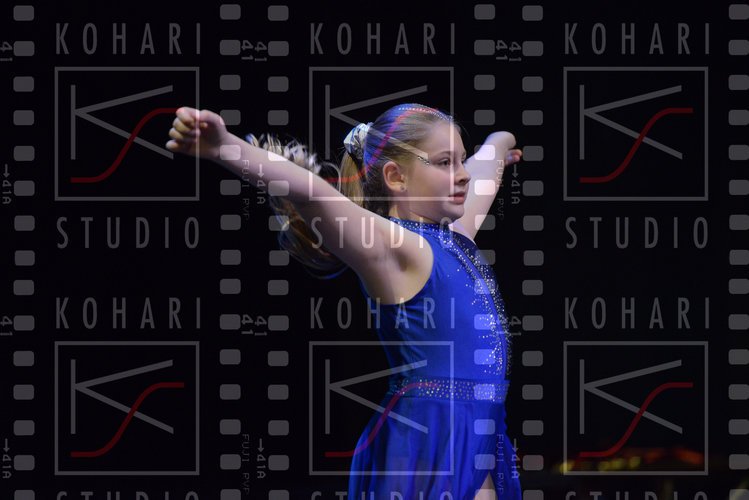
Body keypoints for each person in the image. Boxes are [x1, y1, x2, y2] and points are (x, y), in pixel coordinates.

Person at [166, 103, 523, 499]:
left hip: (481, 426)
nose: (462, 174)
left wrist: (500, 143)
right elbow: (311, 192)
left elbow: (483, 166)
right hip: (428, 434)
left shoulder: (457, 235)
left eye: (461, 160)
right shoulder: (394, 246)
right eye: (444, 162)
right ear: (396, 177)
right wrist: (223, 146)